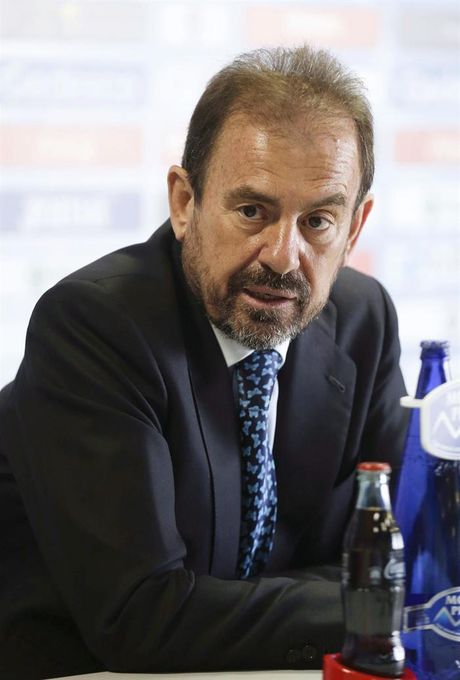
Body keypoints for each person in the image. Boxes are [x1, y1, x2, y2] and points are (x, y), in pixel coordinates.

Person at [0, 45, 407, 679]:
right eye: (252, 211)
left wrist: (385, 584)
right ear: (184, 202)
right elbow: (143, 617)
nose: (283, 256)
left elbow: (407, 548)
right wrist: (374, 602)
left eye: (318, 221)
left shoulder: (364, 321)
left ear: (354, 229)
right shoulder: (94, 327)